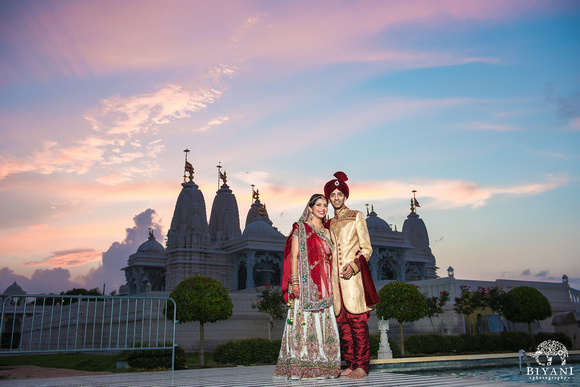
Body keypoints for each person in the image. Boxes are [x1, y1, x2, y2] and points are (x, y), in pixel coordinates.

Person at [273, 194, 341, 380]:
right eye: (318, 205)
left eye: (325, 205)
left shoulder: (327, 232)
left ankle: (325, 365)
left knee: (325, 322)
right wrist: (295, 282)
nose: (322, 208)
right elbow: (294, 256)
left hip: (326, 285)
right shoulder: (301, 229)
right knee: (304, 323)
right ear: (310, 208)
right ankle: (300, 366)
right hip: (305, 285)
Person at [324, 171, 379, 379]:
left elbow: (367, 249)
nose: (336, 198)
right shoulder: (328, 224)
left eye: (339, 194)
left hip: (353, 282)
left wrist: (354, 266)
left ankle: (362, 367)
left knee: (358, 325)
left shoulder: (356, 216)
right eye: (333, 195)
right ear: (329, 198)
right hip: (335, 285)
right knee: (343, 327)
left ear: (345, 196)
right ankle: (350, 364)